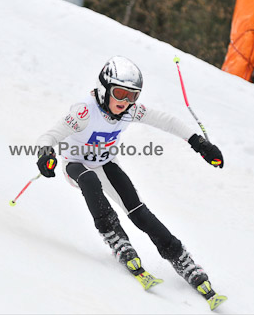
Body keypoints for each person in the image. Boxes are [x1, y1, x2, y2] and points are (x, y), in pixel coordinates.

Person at [35, 56, 224, 302]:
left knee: (139, 211)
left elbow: (167, 121)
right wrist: (45, 154)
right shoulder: (83, 111)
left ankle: (179, 257)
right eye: (120, 93)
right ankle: (113, 234)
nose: (125, 102)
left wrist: (198, 143)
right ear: (104, 89)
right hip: (76, 164)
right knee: (91, 182)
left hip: (106, 163)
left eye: (132, 96)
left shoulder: (130, 111)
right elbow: (49, 136)